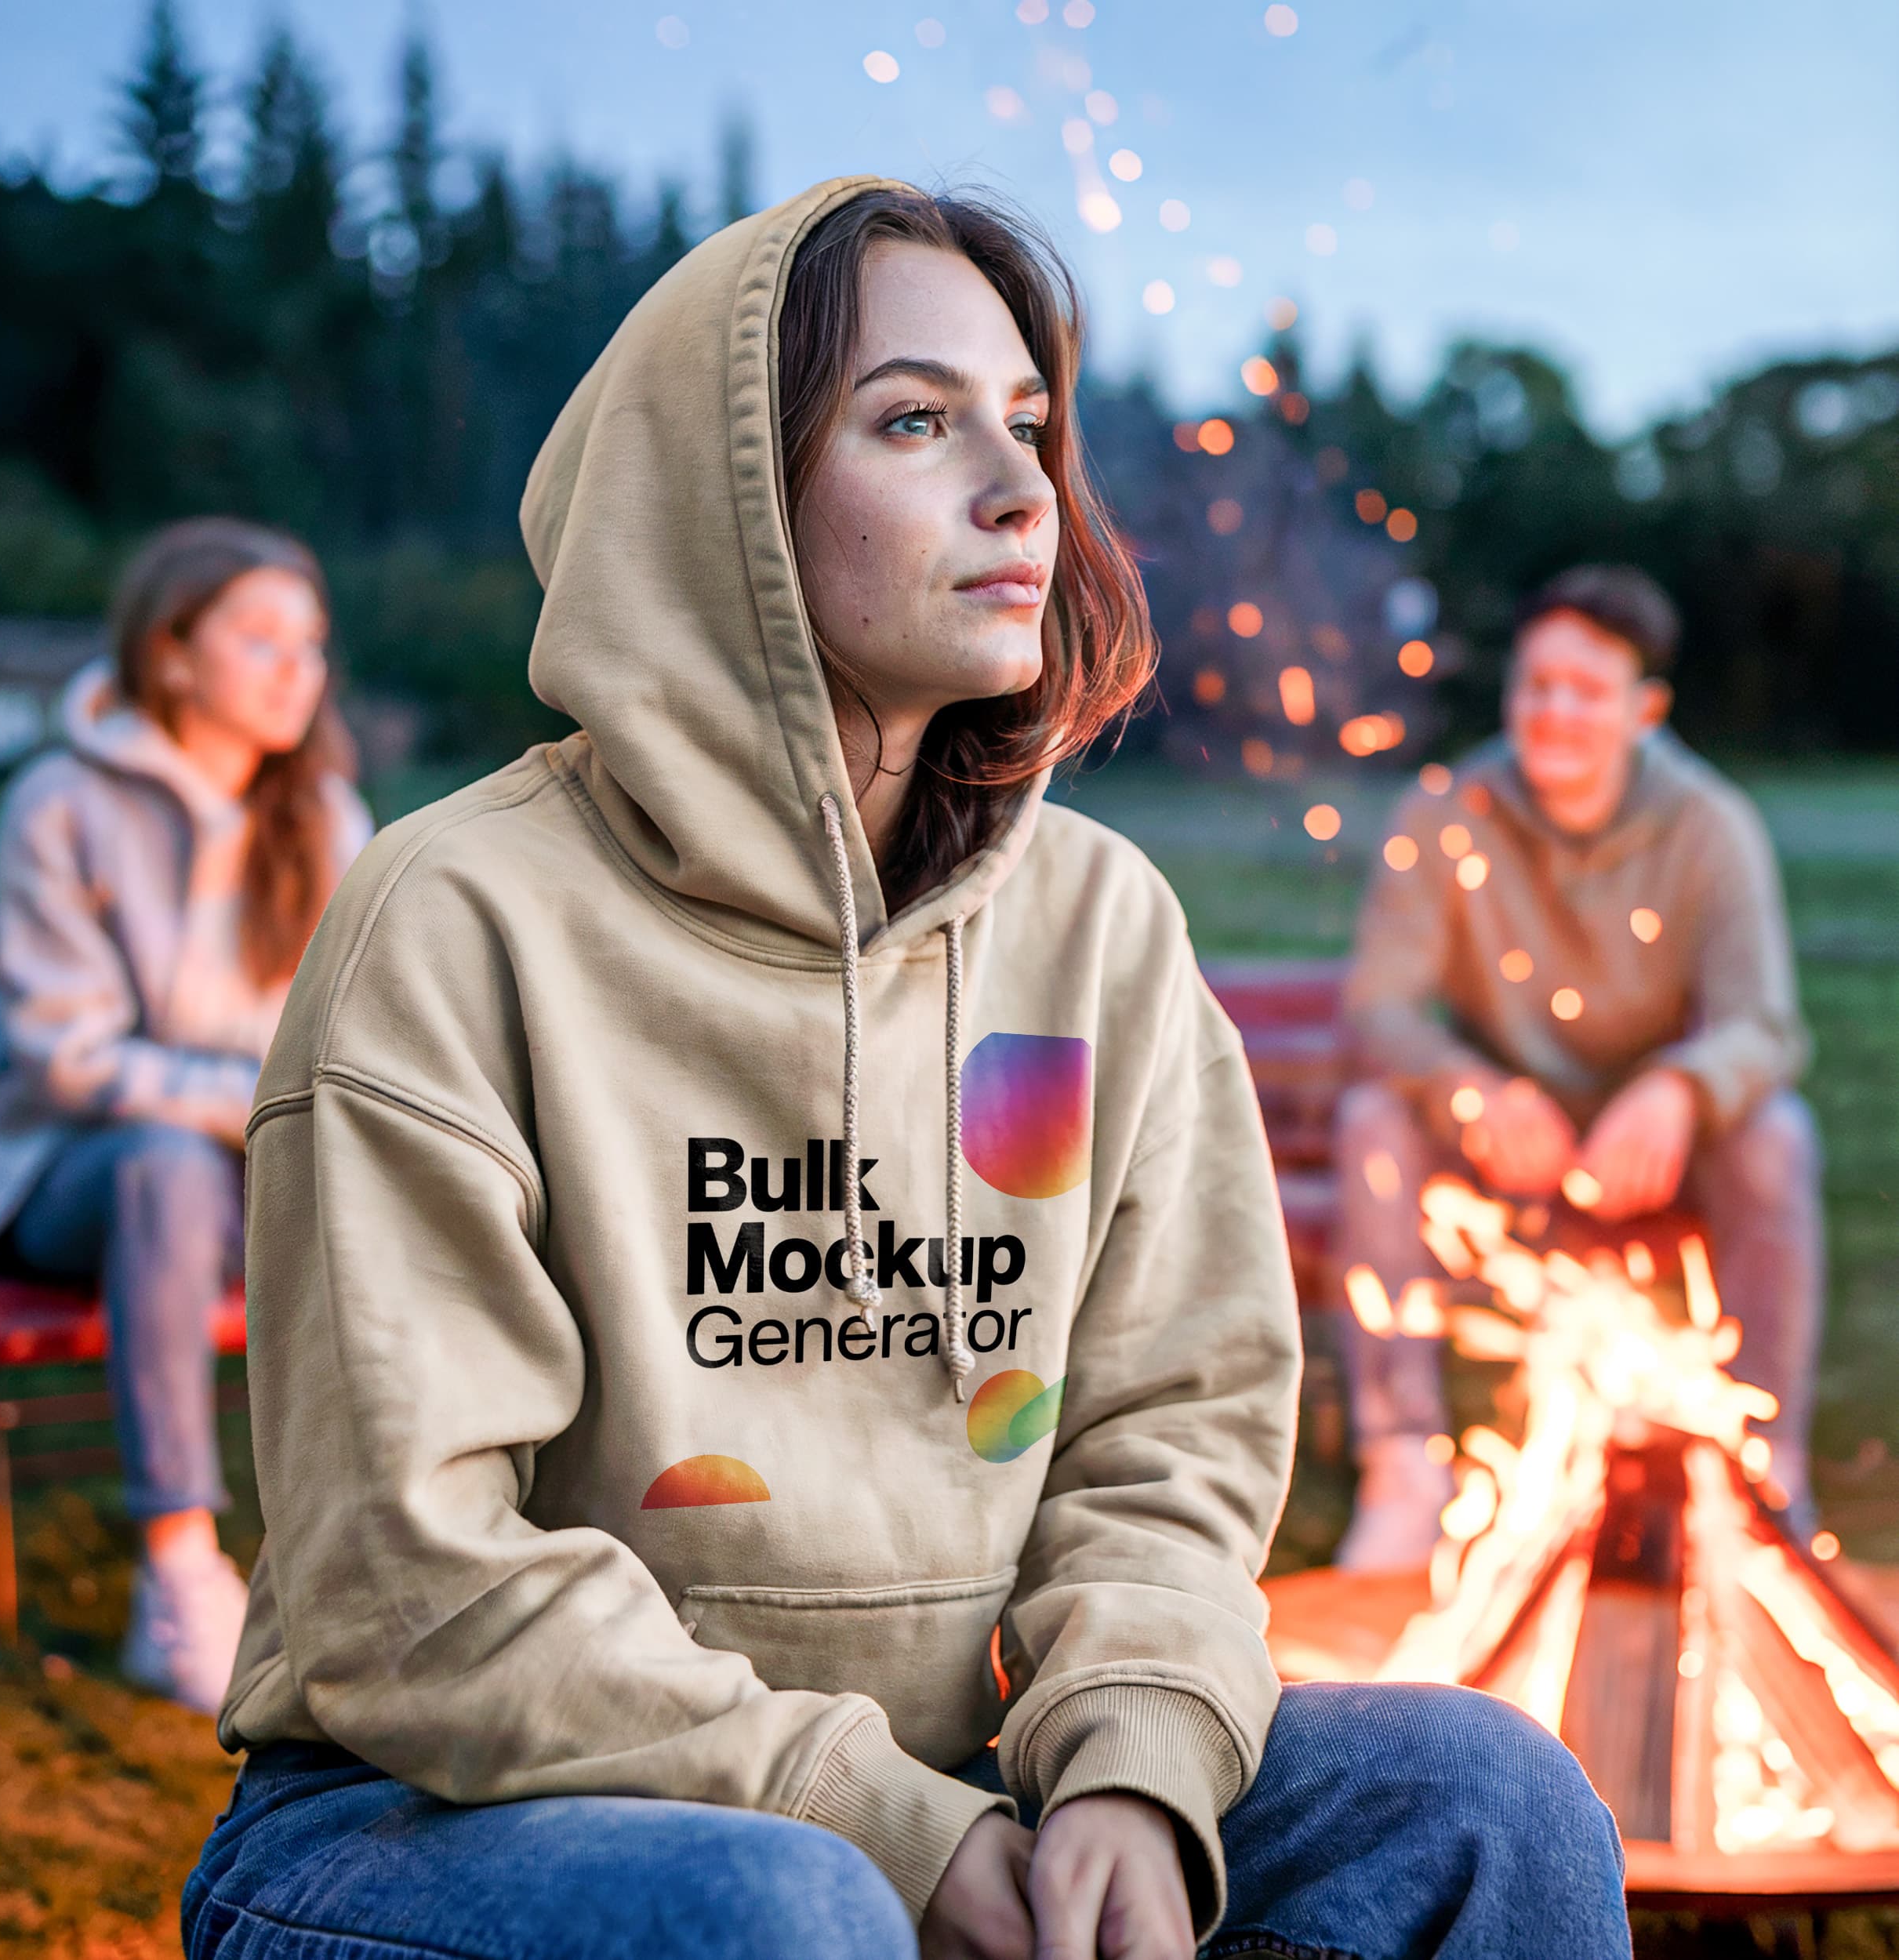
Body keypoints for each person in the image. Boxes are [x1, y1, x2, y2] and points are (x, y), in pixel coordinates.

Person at [183, 180, 1630, 1960]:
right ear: (722, 499)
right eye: (915, 421)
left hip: (963, 1772)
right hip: (433, 1814)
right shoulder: (455, 920)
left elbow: (1168, 1442)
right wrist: (880, 1825)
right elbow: (405, 1583)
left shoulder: (1099, 926)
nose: (1023, 488)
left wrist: (1126, 1764)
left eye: (1027, 425)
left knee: (1489, 1808)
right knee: (789, 1906)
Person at [0, 518, 372, 1708]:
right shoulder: (60, 803)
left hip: (249, 1174)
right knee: (163, 1168)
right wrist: (250, 1105)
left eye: (314, 642)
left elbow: (353, 1033)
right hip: (57, 1176)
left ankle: (395, 1566)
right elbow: (61, 1057)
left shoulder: (328, 818)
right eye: (263, 638)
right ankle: (179, 1570)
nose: (301, 669)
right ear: (173, 653)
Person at [1334, 564, 1820, 1570]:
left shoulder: (1708, 826)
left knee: (1777, 1137)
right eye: (1535, 685)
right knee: (1374, 1124)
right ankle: (1403, 1465)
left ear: (1646, 708)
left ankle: (1767, 1463)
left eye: (1587, 690)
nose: (1553, 711)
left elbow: (1765, 1025)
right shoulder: (1445, 812)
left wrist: (1680, 1089)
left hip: (1649, 1148)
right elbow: (1378, 1007)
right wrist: (1469, 1090)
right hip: (1499, 1140)